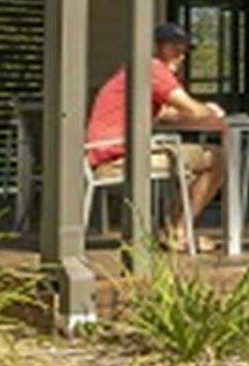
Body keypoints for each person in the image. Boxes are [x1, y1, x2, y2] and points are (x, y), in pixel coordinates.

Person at [85, 22, 226, 251]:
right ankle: (176, 233)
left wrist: (197, 113)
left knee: (197, 156)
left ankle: (174, 229)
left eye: (184, 49)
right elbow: (191, 109)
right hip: (118, 157)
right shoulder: (153, 69)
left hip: (104, 151)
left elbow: (167, 115)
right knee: (217, 157)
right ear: (155, 47)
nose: (181, 55)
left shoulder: (133, 70)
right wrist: (212, 111)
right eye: (174, 48)